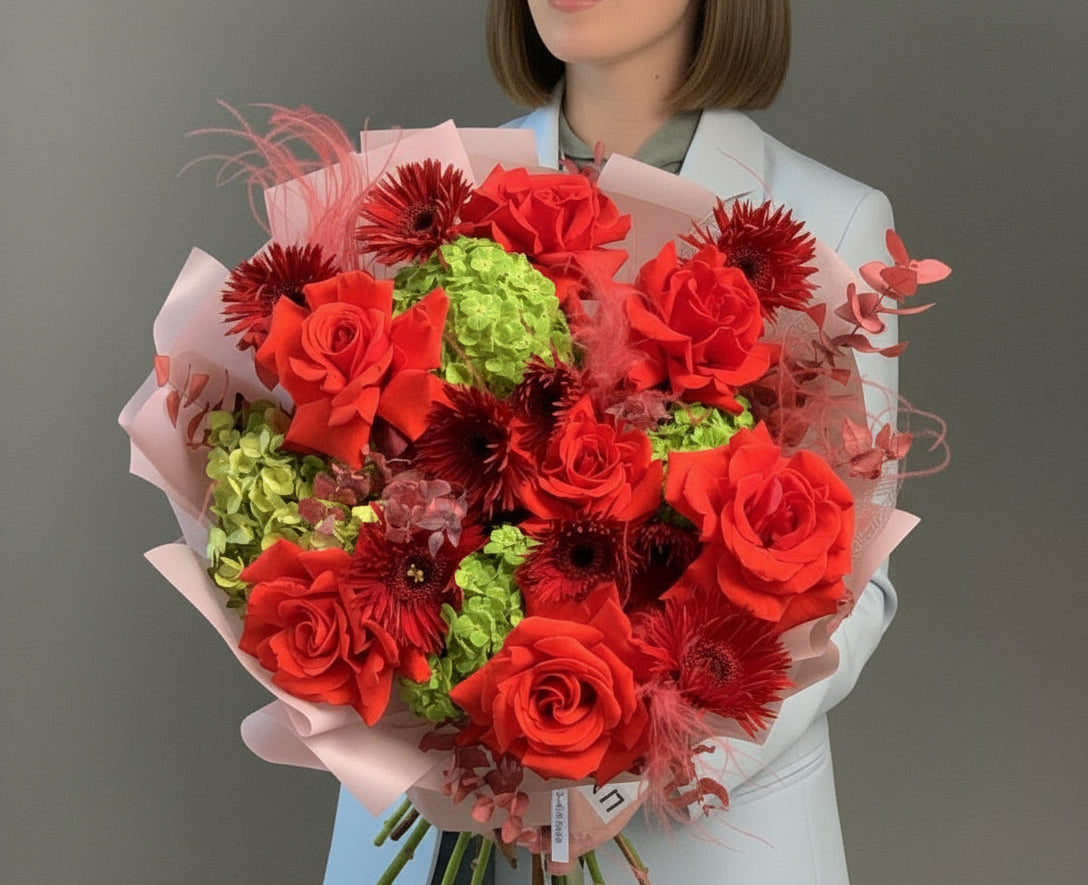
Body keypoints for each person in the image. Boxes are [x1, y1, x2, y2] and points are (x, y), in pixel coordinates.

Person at [324, 2, 897, 882]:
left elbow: (857, 589)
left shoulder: (829, 218)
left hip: (699, 842)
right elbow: (334, 490)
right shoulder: (427, 191)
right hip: (440, 822)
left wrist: (647, 759)